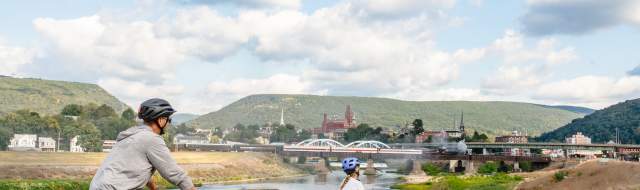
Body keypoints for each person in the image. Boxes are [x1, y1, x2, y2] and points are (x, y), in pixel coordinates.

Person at [90, 98, 196, 190]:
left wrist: (154, 188)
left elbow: (135, 170)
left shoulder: (130, 136)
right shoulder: (152, 139)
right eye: (169, 120)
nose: (168, 123)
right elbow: (174, 173)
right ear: (161, 120)